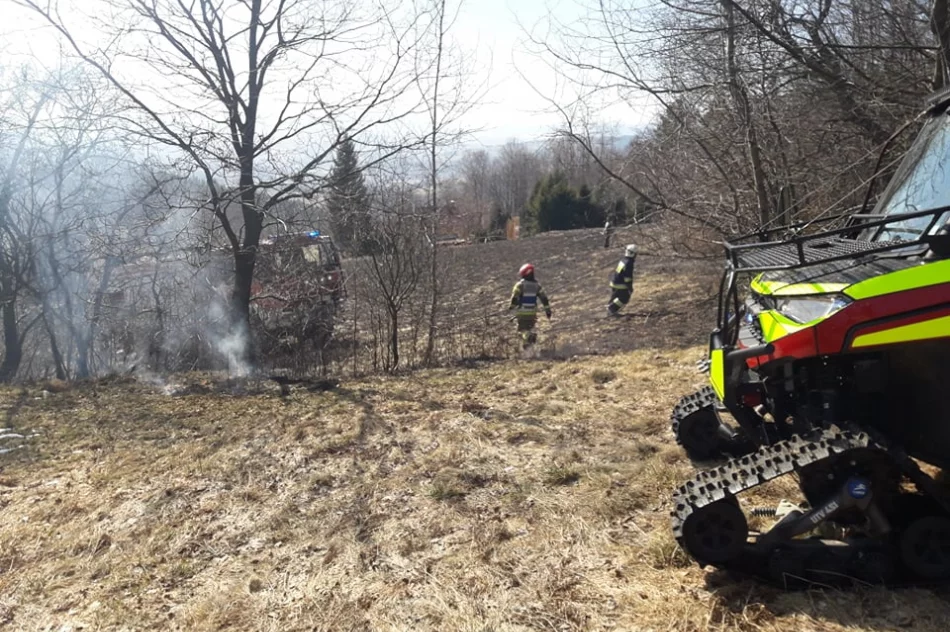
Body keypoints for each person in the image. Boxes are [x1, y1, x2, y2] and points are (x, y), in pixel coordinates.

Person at [509, 263, 552, 348]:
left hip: (522, 313)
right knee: (529, 329)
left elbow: (514, 297)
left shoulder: (520, 285)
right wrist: (548, 310)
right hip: (532, 313)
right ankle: (529, 350)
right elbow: (544, 299)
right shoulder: (537, 286)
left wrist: (512, 307)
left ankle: (528, 336)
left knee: (521, 331)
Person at [607, 243, 636, 317]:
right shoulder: (629, 263)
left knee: (615, 297)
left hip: (614, 282)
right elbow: (627, 277)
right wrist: (630, 288)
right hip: (620, 284)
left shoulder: (623, 260)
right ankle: (612, 309)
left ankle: (610, 309)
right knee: (624, 298)